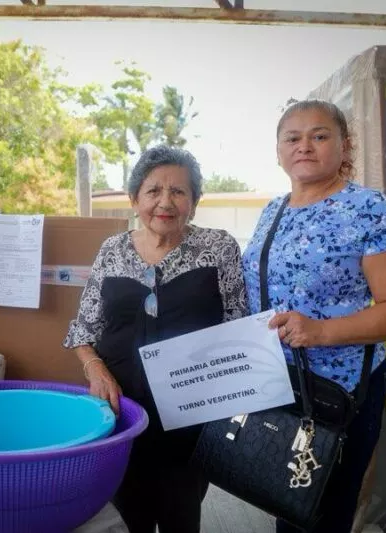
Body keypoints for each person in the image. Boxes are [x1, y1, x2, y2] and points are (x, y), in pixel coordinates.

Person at [241, 100, 386, 533]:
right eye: (293, 137)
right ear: (278, 150)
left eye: (319, 136)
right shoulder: (274, 209)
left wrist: (320, 332)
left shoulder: (369, 209)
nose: (305, 146)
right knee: (287, 501)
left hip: (338, 392)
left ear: (345, 145)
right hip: (279, 385)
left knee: (322, 511)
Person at [64, 145, 246, 533]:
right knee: (128, 515)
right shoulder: (112, 250)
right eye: (153, 191)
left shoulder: (219, 248)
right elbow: (83, 329)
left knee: (182, 513)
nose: (166, 202)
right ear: (134, 199)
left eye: (179, 192)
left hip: (191, 416)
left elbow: (238, 324)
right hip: (121, 411)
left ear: (195, 203)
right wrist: (96, 370)